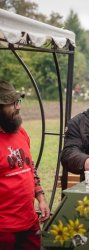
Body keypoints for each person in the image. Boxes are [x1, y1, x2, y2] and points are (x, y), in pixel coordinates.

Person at [0, 80, 50, 249]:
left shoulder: (20, 131)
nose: (18, 107)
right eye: (12, 104)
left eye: (18, 102)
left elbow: (29, 168)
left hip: (29, 224)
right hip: (4, 231)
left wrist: (41, 198)